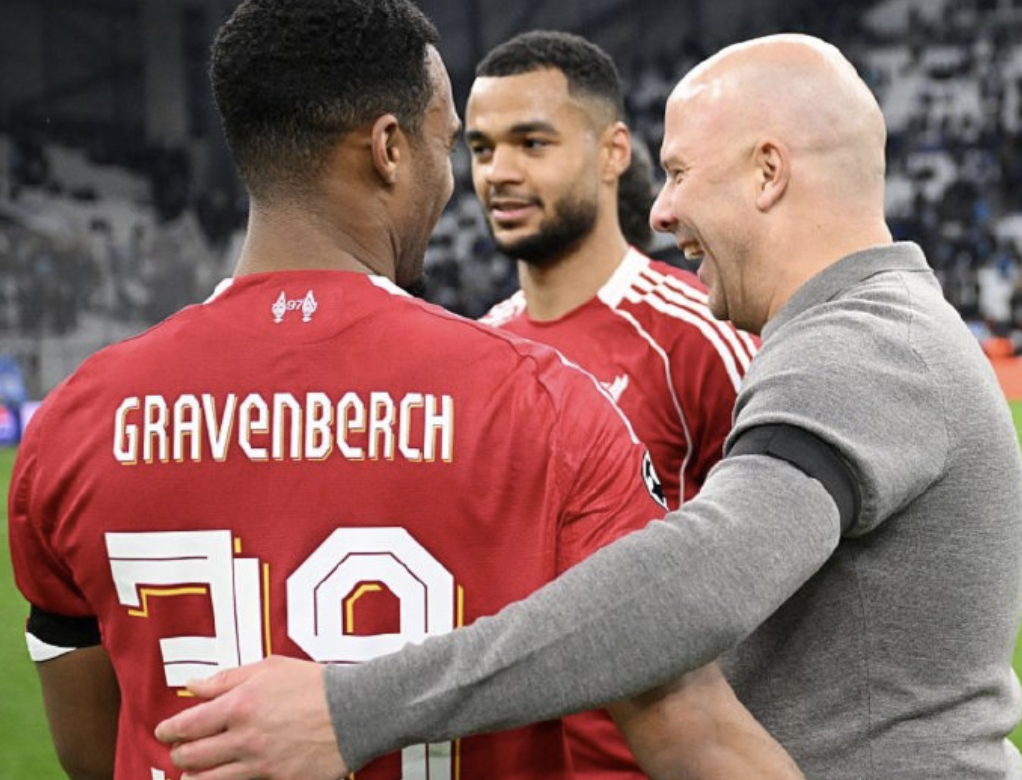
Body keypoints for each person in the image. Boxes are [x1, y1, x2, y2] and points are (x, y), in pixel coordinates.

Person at [156, 32, 1022, 780]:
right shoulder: (867, 331)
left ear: (768, 172)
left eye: (678, 172)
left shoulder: (861, 345)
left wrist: (351, 708)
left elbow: (700, 581)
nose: (664, 208)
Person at [8, 3, 804, 780]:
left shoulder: (76, 421)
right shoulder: (541, 403)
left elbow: (92, 749)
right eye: (449, 143)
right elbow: (686, 726)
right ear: (390, 148)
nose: (461, 179)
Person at [466, 30, 757, 779]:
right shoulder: (477, 356)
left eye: (532, 143)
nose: (499, 172)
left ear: (612, 152)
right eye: (481, 148)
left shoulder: (698, 335)